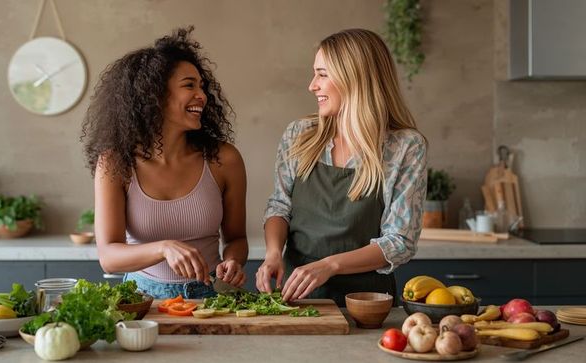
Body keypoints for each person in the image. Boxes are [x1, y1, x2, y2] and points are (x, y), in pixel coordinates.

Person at [255, 29, 427, 307]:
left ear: (354, 78)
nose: (312, 85)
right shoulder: (299, 134)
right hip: (299, 299)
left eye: (322, 74)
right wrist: (273, 253)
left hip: (368, 303)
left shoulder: (405, 147)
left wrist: (330, 265)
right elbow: (279, 206)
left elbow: (399, 242)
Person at [81, 27, 248, 299]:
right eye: (189, 85)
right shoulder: (115, 163)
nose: (202, 96)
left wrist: (233, 262)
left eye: (201, 86)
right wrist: (163, 248)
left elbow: (236, 239)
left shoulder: (224, 160)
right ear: (154, 95)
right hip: (141, 298)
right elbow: (108, 255)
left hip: (212, 296)